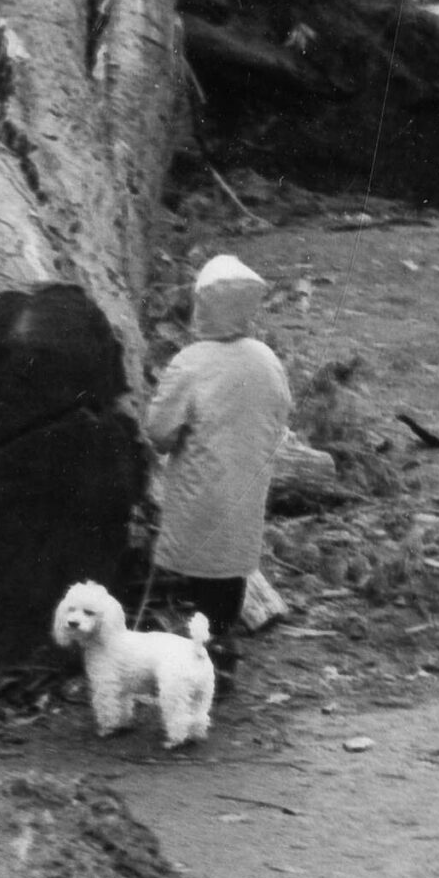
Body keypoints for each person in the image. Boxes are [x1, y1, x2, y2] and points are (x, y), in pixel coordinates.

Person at [143, 253, 293, 685]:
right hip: (249, 480)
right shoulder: (265, 359)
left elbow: (159, 430)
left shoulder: (191, 362)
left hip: (200, 485)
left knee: (203, 569)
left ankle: (207, 659)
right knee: (232, 565)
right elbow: (280, 413)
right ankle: (222, 647)